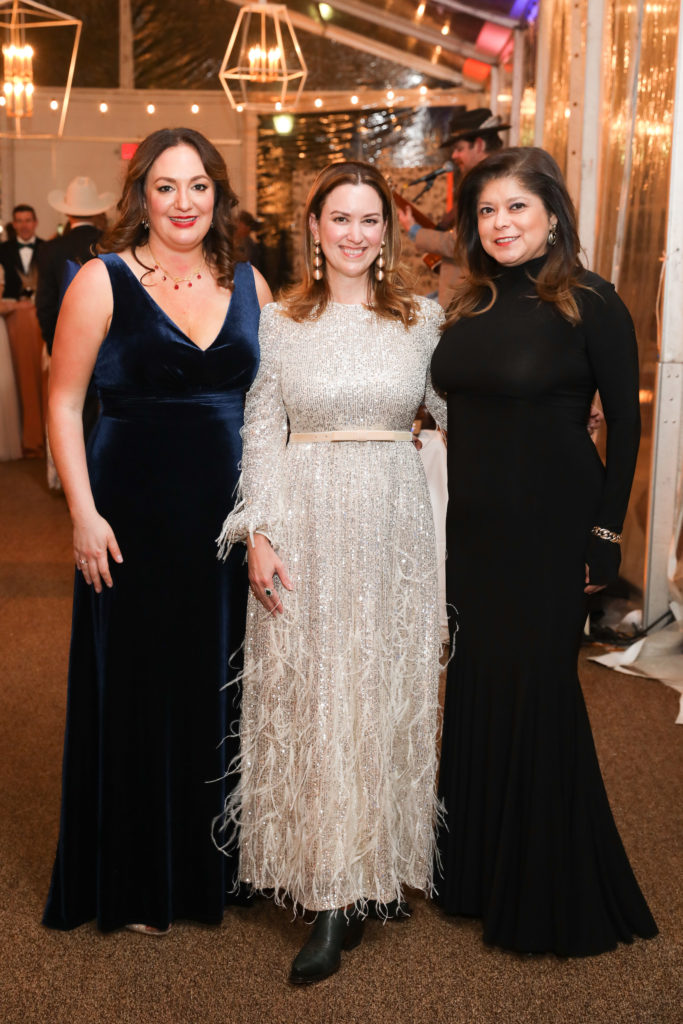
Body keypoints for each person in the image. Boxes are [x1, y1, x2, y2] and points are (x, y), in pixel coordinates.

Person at [215, 160, 446, 984]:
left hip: (392, 533)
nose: (354, 233)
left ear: (389, 231)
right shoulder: (280, 321)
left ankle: (372, 870)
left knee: (379, 693)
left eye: (368, 219)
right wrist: (258, 533)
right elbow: (260, 428)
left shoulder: (423, 319)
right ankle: (325, 889)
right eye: (338, 218)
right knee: (315, 699)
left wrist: (567, 408)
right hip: (305, 525)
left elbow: (464, 408)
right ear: (314, 229)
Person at [43, 127, 271, 933]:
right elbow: (64, 403)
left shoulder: (251, 283)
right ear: (141, 195)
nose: (183, 202)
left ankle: (217, 866)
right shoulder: (101, 279)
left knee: (221, 682)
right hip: (128, 516)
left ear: (218, 194)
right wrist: (82, 513)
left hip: (226, 519)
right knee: (138, 687)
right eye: (166, 186)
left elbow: (271, 410)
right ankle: (140, 878)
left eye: (198, 185)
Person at [431, 147, 658, 956]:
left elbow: (624, 423)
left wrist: (605, 532)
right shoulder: (470, 300)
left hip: (552, 528)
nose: (500, 224)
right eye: (486, 211)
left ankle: (544, 887)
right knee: (479, 684)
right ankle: (475, 872)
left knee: (537, 692)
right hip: (474, 528)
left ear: (552, 215)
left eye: (516, 207)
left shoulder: (590, 300)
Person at [397, 108, 509, 308]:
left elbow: (461, 244)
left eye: (459, 148)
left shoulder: (489, 184)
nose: (454, 155)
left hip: (471, 299)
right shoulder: (488, 179)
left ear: (479, 145)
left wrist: (414, 231)